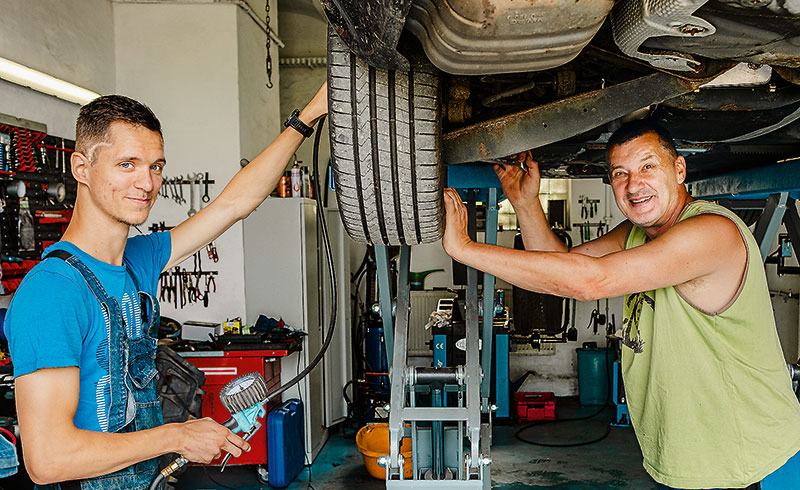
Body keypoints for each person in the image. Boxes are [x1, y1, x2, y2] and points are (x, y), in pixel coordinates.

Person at [441, 120, 800, 489]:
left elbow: (589, 281)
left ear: (679, 169)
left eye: (648, 167)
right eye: (620, 173)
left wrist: (465, 249)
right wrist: (524, 202)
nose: (633, 185)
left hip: (743, 460)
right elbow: (559, 272)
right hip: (693, 458)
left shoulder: (711, 233)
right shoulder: (635, 235)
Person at [5, 83, 328, 488]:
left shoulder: (138, 260)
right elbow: (48, 459)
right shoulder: (52, 292)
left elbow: (233, 204)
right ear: (81, 168)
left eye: (155, 166)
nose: (146, 183)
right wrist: (176, 436)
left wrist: (308, 116)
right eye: (127, 164)